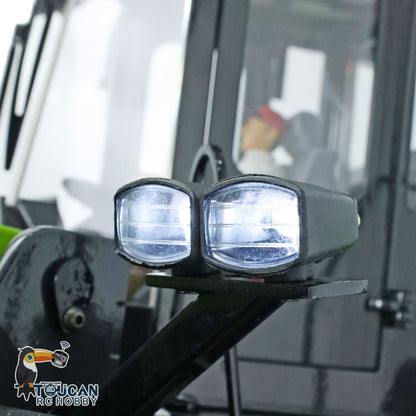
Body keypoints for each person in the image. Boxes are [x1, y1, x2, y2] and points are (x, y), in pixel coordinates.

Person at [238, 106, 338, 190]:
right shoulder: (263, 167)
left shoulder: (258, 169)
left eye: (249, 126)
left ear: (271, 132)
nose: (243, 130)